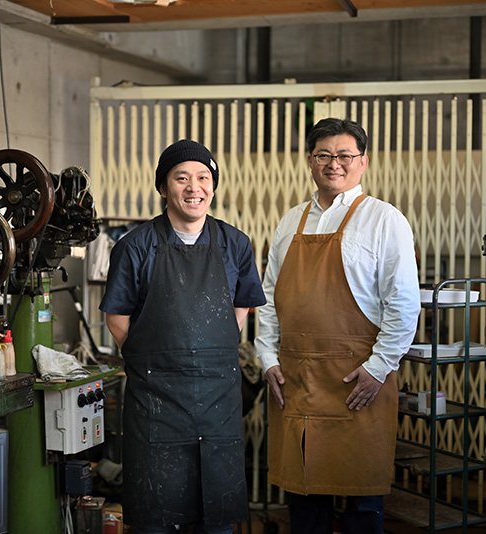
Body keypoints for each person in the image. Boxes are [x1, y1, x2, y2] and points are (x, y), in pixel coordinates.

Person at [254, 118, 420, 534]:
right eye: (324, 155)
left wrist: (378, 367)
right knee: (305, 502)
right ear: (310, 161)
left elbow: (403, 303)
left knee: (362, 505)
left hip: (356, 380)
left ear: (363, 162)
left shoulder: (385, 220)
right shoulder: (290, 221)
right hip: (295, 380)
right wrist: (267, 357)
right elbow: (270, 296)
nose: (335, 164)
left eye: (345, 155)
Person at [100, 139, 267, 534]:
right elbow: (116, 316)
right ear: (163, 187)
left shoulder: (235, 244)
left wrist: (210, 347)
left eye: (203, 178)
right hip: (156, 401)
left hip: (217, 401)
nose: (194, 187)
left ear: (213, 186)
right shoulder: (135, 246)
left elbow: (242, 306)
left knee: (216, 519)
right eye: (182, 178)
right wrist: (149, 356)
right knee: (157, 516)